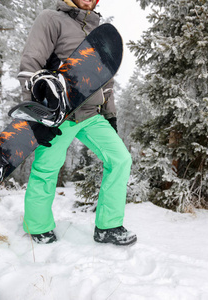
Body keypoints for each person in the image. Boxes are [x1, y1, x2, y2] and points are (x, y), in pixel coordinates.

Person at [18, 0, 136, 246]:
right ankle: (38, 227)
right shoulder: (51, 19)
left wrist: (111, 116)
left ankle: (109, 226)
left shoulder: (97, 30)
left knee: (120, 159)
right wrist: (35, 114)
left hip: (92, 114)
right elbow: (31, 65)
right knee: (47, 168)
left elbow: (106, 81)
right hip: (60, 114)